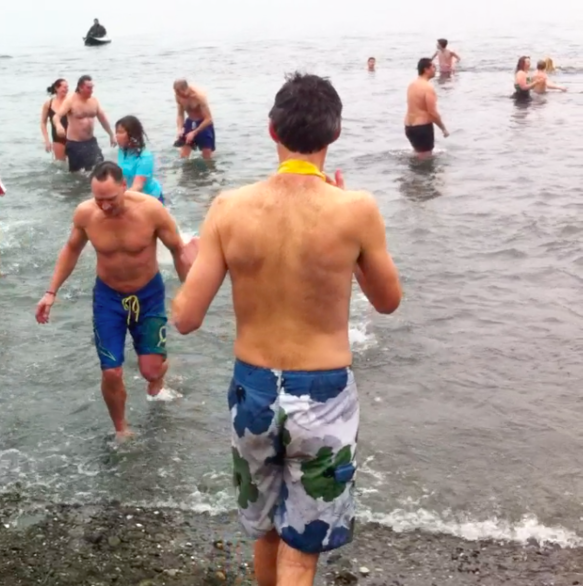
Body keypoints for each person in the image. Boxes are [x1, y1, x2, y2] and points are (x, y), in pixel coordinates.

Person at [170, 72, 402, 586]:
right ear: (334, 135)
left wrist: (188, 264)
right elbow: (387, 302)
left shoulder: (228, 208)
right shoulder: (356, 209)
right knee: (302, 548)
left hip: (252, 391)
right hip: (323, 395)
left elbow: (185, 318)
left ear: (271, 130)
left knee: (266, 533)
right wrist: (356, 250)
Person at [35, 161, 196, 438]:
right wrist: (51, 292)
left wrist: (191, 295)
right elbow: (71, 250)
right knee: (111, 371)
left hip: (148, 295)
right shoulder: (86, 214)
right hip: (109, 298)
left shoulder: (151, 210)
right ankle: (121, 429)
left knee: (150, 370)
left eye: (110, 199)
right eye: (98, 199)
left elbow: (178, 250)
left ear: (124, 186)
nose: (105, 206)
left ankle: (158, 374)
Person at [52, 75, 115, 173]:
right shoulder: (70, 101)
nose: (91, 90)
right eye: (88, 88)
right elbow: (56, 117)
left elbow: (102, 118)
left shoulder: (94, 101)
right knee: (77, 175)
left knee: (100, 168)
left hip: (91, 142)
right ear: (80, 88)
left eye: (92, 88)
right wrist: (59, 126)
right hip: (75, 144)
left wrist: (111, 134)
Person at [404, 58, 449, 157]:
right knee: (425, 161)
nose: (435, 69)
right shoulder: (428, 88)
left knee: (418, 155)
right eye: (433, 67)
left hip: (409, 127)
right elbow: (432, 113)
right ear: (426, 69)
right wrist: (443, 128)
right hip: (422, 128)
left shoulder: (411, 85)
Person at [115, 115, 164, 203]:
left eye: (121, 132)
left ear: (132, 134)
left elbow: (138, 186)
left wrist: (117, 198)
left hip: (151, 199)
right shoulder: (122, 151)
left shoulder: (145, 157)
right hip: (130, 195)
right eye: (116, 132)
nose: (117, 136)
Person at [173, 79, 215, 160]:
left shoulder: (199, 97)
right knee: (183, 157)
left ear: (186, 89)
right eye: (176, 93)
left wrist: (194, 132)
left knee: (207, 158)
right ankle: (187, 171)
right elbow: (180, 114)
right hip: (190, 122)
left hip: (204, 124)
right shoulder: (178, 95)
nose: (178, 95)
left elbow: (209, 119)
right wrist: (180, 129)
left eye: (180, 93)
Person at [41, 78, 70, 161]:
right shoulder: (48, 104)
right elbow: (43, 123)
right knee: (60, 165)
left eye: (67, 87)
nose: (66, 89)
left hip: (72, 137)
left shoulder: (70, 101)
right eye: (64, 87)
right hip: (57, 138)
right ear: (57, 88)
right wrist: (47, 141)